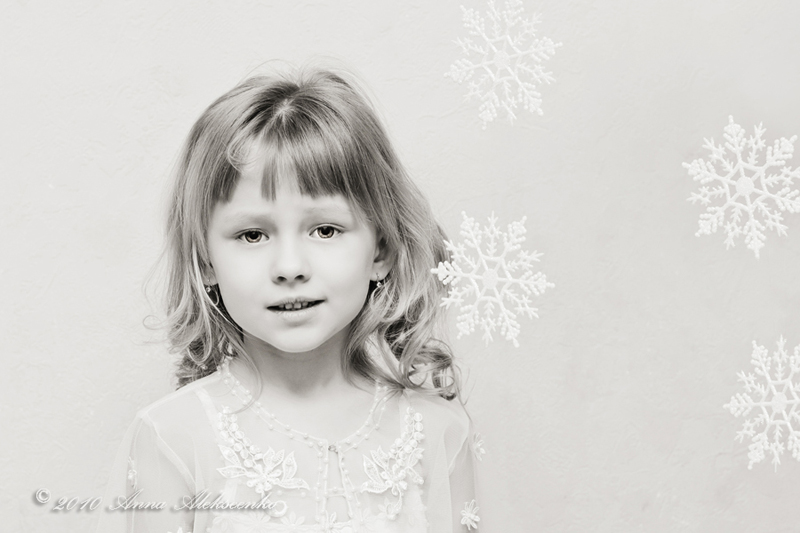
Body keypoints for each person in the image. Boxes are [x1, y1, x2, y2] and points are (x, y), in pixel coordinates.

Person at [96, 65, 483, 533]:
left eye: (326, 230)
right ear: (206, 261)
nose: (290, 267)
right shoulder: (173, 436)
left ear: (381, 251)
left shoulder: (439, 431)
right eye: (252, 234)